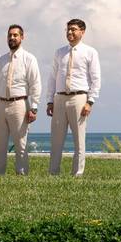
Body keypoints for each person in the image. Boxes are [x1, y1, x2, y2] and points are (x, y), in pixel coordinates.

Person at [46, 19, 101, 177]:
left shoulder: (90, 52)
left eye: (73, 29)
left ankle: (77, 173)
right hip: (60, 98)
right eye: (68, 30)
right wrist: (50, 100)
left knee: (79, 139)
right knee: (56, 139)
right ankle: (53, 173)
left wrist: (90, 102)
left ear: (82, 32)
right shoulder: (59, 52)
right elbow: (52, 77)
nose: (70, 32)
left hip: (79, 98)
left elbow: (96, 79)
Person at [0, 25, 41, 175]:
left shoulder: (29, 59)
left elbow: (35, 84)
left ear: (22, 37)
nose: (12, 38)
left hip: (20, 105)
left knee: (20, 143)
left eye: (15, 35)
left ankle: (21, 174)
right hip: (1, 104)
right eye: (10, 35)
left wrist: (34, 108)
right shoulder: (0, 61)